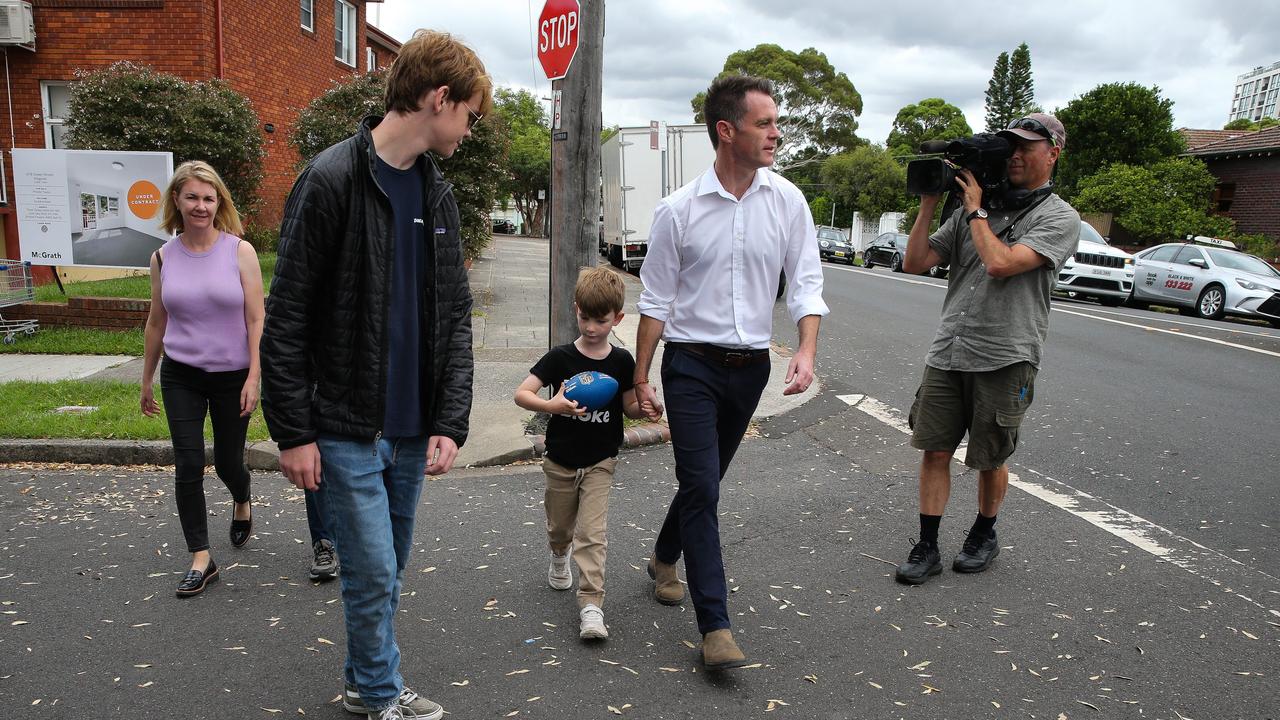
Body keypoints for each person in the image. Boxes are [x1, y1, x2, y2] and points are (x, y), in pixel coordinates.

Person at [260, 29, 488, 720]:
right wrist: (293, 432)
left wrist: (451, 419)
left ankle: (366, 683)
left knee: (386, 571)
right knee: (372, 571)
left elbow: (453, 317)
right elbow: (288, 317)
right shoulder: (331, 179)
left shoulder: (438, 194)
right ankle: (382, 693)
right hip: (345, 424)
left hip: (413, 427)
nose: (470, 132)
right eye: (469, 115)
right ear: (438, 98)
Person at [632, 75, 828, 669]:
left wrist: (805, 349)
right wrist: (640, 378)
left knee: (704, 480)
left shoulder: (788, 201)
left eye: (776, 122)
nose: (776, 133)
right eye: (765, 123)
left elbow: (807, 282)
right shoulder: (678, 210)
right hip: (690, 364)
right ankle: (714, 625)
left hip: (749, 373)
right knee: (704, 487)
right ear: (727, 130)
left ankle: (665, 558)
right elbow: (655, 301)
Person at [895, 112, 1080, 586]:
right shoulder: (969, 212)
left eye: (1026, 148)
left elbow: (1000, 263)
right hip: (950, 350)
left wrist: (975, 209)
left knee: (989, 457)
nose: (1015, 156)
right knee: (934, 450)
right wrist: (929, 204)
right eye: (1009, 148)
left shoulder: (1058, 217)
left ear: (1052, 153)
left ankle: (984, 533)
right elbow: (915, 262)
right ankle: (928, 545)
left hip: (1006, 355)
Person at [140, 160, 263, 599]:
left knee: (229, 461)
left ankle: (242, 498)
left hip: (233, 376)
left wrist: (254, 374)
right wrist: (147, 378)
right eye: (192, 196)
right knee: (189, 463)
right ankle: (201, 557)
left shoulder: (239, 251)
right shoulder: (161, 257)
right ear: (176, 200)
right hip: (182, 375)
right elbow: (157, 321)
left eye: (209, 198)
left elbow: (255, 316)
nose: (201, 206)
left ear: (219, 203)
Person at [513, 267, 645, 641]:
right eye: (585, 317)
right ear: (576, 310)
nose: (590, 327)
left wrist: (648, 407)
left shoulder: (621, 362)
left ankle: (591, 606)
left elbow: (630, 408)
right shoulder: (560, 358)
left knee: (592, 534)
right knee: (560, 528)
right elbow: (522, 394)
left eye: (600, 320)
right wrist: (553, 405)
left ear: (617, 319)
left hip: (601, 460)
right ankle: (559, 555)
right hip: (560, 460)